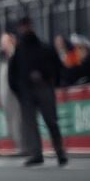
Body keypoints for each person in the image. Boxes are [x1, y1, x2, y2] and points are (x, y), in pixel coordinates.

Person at [9, 18, 67, 166]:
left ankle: (59, 152)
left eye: (27, 26)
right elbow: (13, 73)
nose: (25, 29)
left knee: (50, 121)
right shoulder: (21, 50)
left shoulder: (41, 47)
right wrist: (19, 90)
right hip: (29, 90)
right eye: (23, 27)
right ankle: (37, 153)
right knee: (32, 124)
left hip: (42, 87)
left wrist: (50, 79)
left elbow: (57, 67)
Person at [0, 32, 23, 156]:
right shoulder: (2, 59)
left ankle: (23, 146)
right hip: (5, 96)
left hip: (14, 95)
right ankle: (18, 145)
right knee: (10, 121)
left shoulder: (16, 55)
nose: (3, 46)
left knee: (18, 120)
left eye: (5, 42)